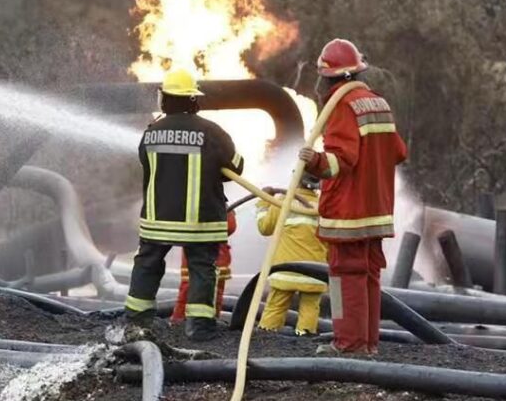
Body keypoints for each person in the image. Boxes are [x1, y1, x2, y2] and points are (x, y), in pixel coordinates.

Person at [298, 39, 408, 355]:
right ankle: (368, 344)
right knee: (369, 276)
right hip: (377, 209)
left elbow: (339, 161)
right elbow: (399, 151)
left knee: (345, 278)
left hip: (348, 212)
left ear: (329, 76)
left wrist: (315, 161)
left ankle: (347, 345)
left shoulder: (341, 106)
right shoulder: (378, 103)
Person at [125, 67, 244, 341]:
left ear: (164, 99)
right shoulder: (212, 132)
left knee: (147, 264)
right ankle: (199, 327)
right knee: (202, 268)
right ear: (194, 100)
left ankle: (135, 323)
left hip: (158, 218)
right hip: (199, 221)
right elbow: (237, 167)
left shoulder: (151, 132)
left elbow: (145, 163)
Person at [256, 174, 328, 335]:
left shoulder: (283, 202)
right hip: (315, 272)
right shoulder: (324, 207)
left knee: (275, 307)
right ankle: (304, 342)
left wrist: (263, 202)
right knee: (310, 308)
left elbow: (265, 228)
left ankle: (266, 339)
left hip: (286, 270)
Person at [170, 210, 236, 324]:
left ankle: (180, 321)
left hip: (198, 257)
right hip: (213, 260)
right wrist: (229, 214)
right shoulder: (212, 203)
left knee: (190, 291)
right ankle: (201, 322)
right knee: (209, 294)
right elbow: (229, 227)